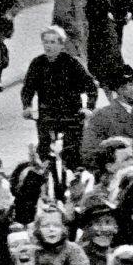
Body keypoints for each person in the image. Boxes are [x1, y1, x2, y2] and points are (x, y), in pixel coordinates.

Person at [20, 26, 100, 169]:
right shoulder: (37, 63)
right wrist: (27, 106)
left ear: (61, 44)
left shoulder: (71, 63)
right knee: (44, 150)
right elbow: (28, 88)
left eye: (53, 42)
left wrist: (89, 107)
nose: (48, 46)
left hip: (71, 114)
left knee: (73, 151)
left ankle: (73, 173)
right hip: (47, 114)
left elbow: (91, 87)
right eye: (46, 42)